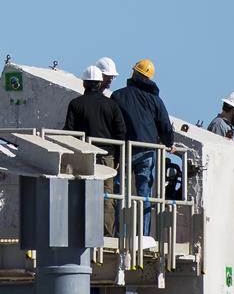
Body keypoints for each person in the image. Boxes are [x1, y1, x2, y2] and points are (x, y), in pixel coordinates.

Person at [111, 59, 176, 234]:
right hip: (147, 151)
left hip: (124, 149)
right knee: (144, 194)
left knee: (120, 193)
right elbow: (164, 126)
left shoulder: (118, 95)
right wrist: (170, 143)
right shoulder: (155, 100)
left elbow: (113, 124)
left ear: (134, 73)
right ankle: (143, 235)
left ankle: (119, 234)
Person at [65, 65, 127, 236]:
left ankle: (81, 232)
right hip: (107, 157)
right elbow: (120, 132)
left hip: (83, 156)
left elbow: (68, 131)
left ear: (84, 83)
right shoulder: (111, 105)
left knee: (81, 193)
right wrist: (119, 158)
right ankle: (106, 233)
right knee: (106, 196)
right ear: (100, 83)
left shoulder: (75, 104)